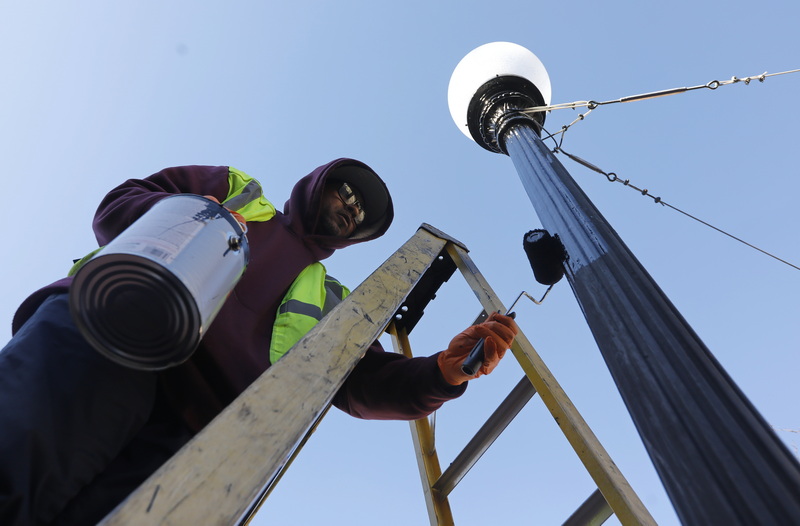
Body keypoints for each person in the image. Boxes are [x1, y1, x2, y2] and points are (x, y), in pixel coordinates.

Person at [0, 158, 518, 525]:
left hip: (199, 433)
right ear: (319, 182)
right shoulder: (237, 190)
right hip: (109, 333)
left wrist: (442, 373)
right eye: (348, 192)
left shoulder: (333, 298)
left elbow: (363, 383)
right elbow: (120, 205)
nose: (351, 209)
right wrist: (185, 214)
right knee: (14, 455)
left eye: (361, 216)